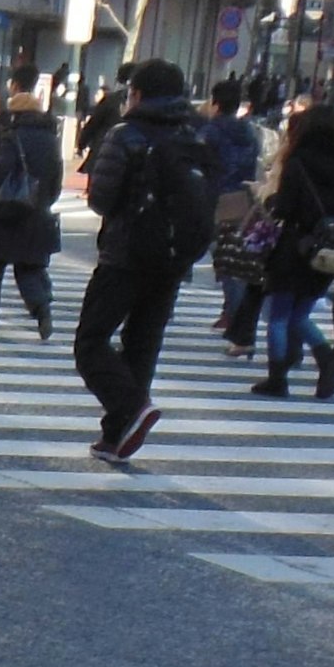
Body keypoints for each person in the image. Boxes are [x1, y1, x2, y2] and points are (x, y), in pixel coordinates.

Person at [73, 59, 216, 462]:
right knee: (143, 343)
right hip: (173, 260)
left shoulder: (126, 134)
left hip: (125, 254)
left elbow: (102, 198)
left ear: (135, 93)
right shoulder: (193, 136)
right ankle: (118, 436)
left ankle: (130, 407)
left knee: (91, 342)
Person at [252, 103, 334, 400]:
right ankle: (327, 361)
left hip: (294, 244)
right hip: (327, 244)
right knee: (300, 315)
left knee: (279, 315)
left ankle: (277, 378)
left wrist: (271, 201)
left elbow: (285, 207)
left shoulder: (298, 160)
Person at [0, 75, 63, 336]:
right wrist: (45, 200)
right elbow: (56, 176)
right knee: (29, 268)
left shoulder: (13, 136)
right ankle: (42, 311)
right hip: (37, 208)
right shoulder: (51, 139)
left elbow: (1, 170)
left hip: (8, 208)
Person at [201, 86, 270, 353]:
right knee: (235, 257)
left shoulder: (211, 131)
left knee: (225, 261)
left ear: (216, 104)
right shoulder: (251, 132)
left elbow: (203, 164)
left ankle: (235, 314)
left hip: (216, 197)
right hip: (243, 196)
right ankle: (232, 311)